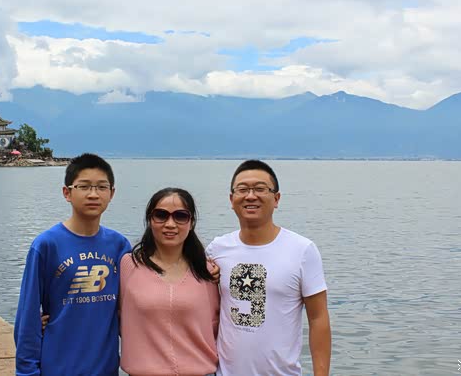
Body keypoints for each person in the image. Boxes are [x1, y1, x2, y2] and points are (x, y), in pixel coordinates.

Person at [206, 160, 331, 376]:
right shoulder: (217, 249)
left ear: (276, 199)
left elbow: (318, 318)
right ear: (231, 200)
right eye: (242, 189)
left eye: (260, 189)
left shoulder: (302, 250)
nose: (250, 196)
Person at [14, 153, 131, 376]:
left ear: (112, 193)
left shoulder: (119, 246)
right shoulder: (47, 245)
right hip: (57, 367)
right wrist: (27, 371)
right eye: (84, 186)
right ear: (67, 193)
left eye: (102, 187)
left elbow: (131, 308)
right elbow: (27, 316)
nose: (93, 194)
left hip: (105, 369)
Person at [120, 187, 219, 376]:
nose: (170, 224)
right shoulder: (129, 265)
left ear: (191, 222)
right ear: (150, 220)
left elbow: (217, 323)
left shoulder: (206, 271)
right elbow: (116, 313)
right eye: (161, 215)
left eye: (180, 216)